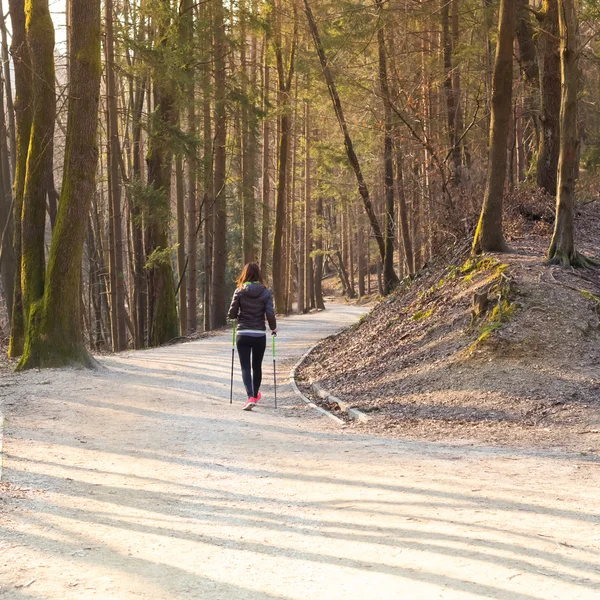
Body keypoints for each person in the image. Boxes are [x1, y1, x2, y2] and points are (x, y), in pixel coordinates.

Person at [228, 263, 277, 411]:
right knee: (257, 366)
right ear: (258, 275)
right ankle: (255, 395)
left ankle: (250, 397)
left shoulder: (239, 291)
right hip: (259, 334)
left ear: (245, 274)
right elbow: (270, 314)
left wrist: (235, 316)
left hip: (242, 333)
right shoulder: (266, 292)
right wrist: (273, 328)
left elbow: (231, 313)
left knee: (245, 366)